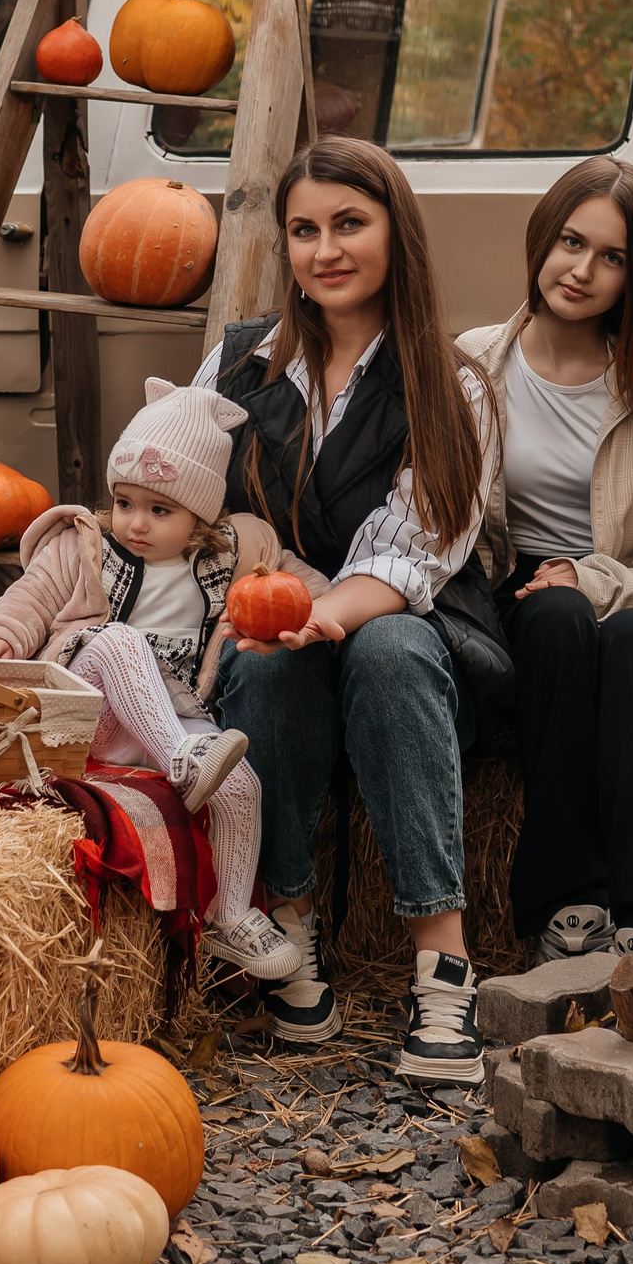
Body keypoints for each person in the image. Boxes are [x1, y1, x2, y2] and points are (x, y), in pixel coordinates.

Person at [196, 138, 506, 1083]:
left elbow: (416, 556)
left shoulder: (450, 387)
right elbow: (180, 495)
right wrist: (238, 532)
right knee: (261, 659)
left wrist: (327, 610)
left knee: (390, 647)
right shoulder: (241, 362)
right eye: (304, 229)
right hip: (281, 627)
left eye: (349, 224)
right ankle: (291, 928)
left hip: (428, 644)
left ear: (395, 234)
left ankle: (441, 961)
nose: (325, 248)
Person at [456, 156, 633, 987]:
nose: (581, 269)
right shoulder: (474, 363)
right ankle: (564, 906)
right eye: (572, 241)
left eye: (610, 256)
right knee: (556, 619)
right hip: (528, 607)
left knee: (632, 641)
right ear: (543, 237)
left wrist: (594, 576)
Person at [0, 378, 326, 978]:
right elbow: (27, 600)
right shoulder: (85, 548)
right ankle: (184, 761)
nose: (136, 523)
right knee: (118, 639)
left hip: (173, 717)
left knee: (241, 785)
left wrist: (319, 618)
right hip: (90, 714)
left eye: (160, 510)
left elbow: (307, 590)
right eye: (126, 503)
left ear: (200, 514)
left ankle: (231, 915)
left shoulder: (233, 558)